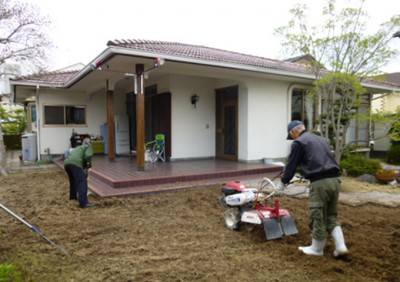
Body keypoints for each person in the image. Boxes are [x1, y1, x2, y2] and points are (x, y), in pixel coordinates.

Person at [276, 120, 348, 258]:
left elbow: (291, 165)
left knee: (317, 214)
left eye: (291, 136)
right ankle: (340, 246)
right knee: (331, 215)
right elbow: (318, 159)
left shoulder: (299, 142)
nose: (292, 139)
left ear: (294, 131)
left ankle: (317, 249)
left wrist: (283, 183)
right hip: (335, 181)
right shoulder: (321, 139)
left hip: (320, 183)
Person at [64, 138, 97, 209]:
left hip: (67, 163)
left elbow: (74, 155)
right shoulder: (88, 146)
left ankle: (73, 198)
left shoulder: (78, 147)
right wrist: (88, 165)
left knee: (73, 182)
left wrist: (84, 167)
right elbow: (88, 156)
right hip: (75, 164)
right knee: (82, 182)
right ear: (89, 143)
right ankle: (83, 203)